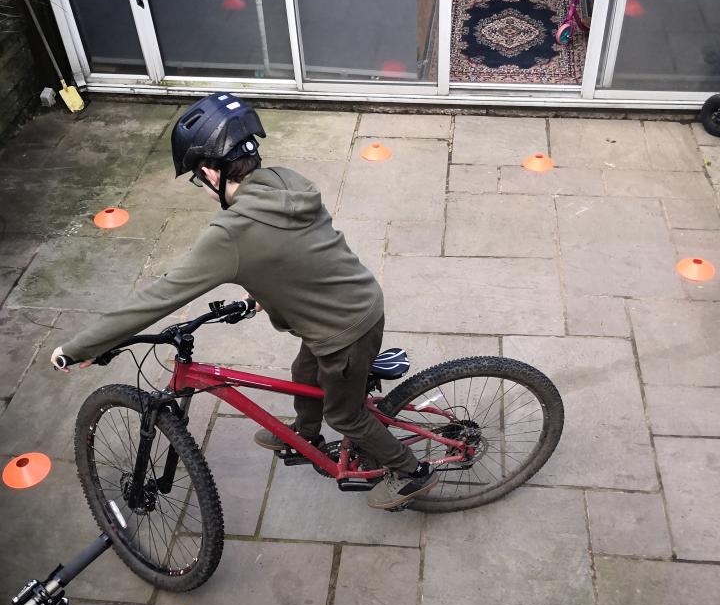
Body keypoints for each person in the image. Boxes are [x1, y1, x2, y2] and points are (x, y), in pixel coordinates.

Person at [51, 93, 437, 511]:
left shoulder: (231, 233)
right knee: (304, 374)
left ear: (210, 172)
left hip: (343, 329)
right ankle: (305, 437)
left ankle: (411, 472)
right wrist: (259, 294)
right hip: (351, 300)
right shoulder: (286, 182)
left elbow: (156, 298)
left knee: (345, 416)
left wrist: (78, 349)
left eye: (198, 180)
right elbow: (295, 252)